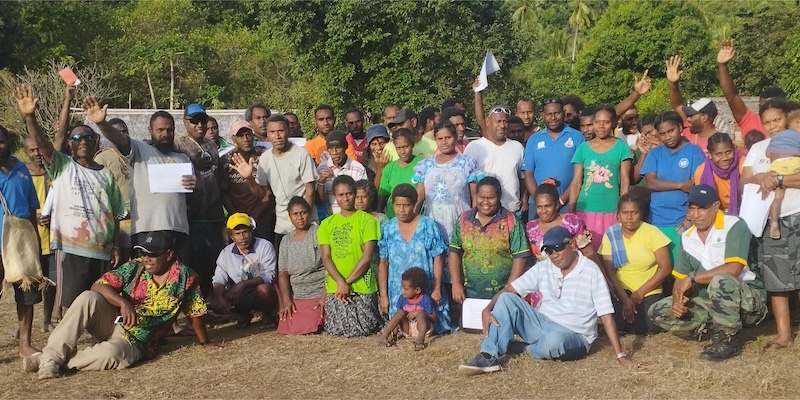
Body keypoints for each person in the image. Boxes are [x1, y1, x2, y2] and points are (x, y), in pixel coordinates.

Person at [22, 231, 221, 379]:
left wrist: (205, 342)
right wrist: (122, 302)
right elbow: (98, 285)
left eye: (152, 254)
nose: (146, 259)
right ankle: (51, 358)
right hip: (115, 323)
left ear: (169, 254)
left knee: (111, 353)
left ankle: (47, 360)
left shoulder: (186, 278)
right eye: (143, 253)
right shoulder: (135, 266)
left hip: (137, 343)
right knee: (87, 297)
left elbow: (195, 312)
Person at [458, 226, 634, 375]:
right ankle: (488, 356)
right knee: (505, 299)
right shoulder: (544, 267)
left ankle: (522, 348)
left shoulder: (591, 271)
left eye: (558, 247)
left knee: (554, 341)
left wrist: (620, 355)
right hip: (543, 323)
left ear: (572, 244)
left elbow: (606, 315)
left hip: (575, 336)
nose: (554, 254)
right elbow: (511, 289)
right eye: (549, 250)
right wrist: (488, 309)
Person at [17, 85, 126, 311]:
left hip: (102, 250)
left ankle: (101, 343)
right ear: (71, 144)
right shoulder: (62, 167)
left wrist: (115, 246)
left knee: (101, 304)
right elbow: (45, 141)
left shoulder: (106, 175)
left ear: (96, 141)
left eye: (87, 136)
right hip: (71, 248)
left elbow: (114, 214)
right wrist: (30, 116)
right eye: (77, 137)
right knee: (69, 306)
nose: (83, 140)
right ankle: (65, 345)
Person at [648, 185, 767, 360]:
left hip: (747, 301)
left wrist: (693, 278)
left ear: (716, 206)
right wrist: (677, 301)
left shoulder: (734, 224)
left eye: (702, 208)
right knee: (657, 311)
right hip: (709, 302)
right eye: (692, 208)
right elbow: (680, 279)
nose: (696, 215)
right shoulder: (687, 237)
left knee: (721, 280)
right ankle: (715, 330)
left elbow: (734, 268)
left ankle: (727, 339)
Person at [86, 97, 197, 268]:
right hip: (147, 228)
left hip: (179, 229)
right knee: (146, 281)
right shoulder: (139, 149)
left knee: (180, 278)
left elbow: (195, 191)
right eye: (160, 130)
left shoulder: (182, 157)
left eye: (170, 130)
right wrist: (102, 124)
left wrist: (195, 183)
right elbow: (120, 139)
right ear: (150, 130)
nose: (166, 134)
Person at [741, 98, 799, 350]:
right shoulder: (759, 149)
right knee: (777, 280)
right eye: (767, 122)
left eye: (776, 119)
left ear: (787, 116)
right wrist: (760, 176)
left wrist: (781, 179)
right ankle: (783, 335)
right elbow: (743, 183)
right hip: (768, 221)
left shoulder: (797, 142)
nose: (772, 126)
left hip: (797, 214)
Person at [378, 183, 456, 334]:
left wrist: (437, 288)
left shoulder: (428, 226)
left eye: (406, 205)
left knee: (430, 324)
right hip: (399, 291)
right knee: (402, 326)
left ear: (414, 205)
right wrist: (383, 295)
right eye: (398, 205)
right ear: (392, 205)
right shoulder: (387, 229)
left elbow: (438, 259)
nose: (402, 210)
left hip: (426, 289)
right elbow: (383, 263)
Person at [317, 175, 383, 337]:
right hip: (336, 288)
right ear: (335, 196)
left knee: (366, 328)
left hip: (361, 286)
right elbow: (326, 257)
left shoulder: (368, 221)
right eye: (341, 195)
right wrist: (340, 283)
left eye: (349, 194)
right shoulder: (326, 224)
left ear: (354, 193)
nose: (345, 198)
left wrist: (346, 283)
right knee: (336, 330)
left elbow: (367, 257)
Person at [598, 193, 672, 335]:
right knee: (616, 321)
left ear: (641, 214)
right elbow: (610, 270)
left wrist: (639, 293)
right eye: (625, 213)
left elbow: (665, 268)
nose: (629, 217)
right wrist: (625, 299)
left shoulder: (652, 232)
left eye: (634, 213)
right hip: (621, 290)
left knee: (650, 325)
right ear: (618, 215)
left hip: (648, 290)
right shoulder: (611, 234)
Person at [449, 177, 530, 303]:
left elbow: (521, 256)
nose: (485, 202)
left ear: (499, 197)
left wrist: (509, 289)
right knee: (469, 323)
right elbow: (454, 251)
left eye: (491, 198)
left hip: (501, 294)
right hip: (469, 292)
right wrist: (456, 283)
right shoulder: (464, 219)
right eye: (481, 197)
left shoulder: (512, 221)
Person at [0, 123, 42, 358]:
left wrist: (35, 241)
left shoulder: (22, 169)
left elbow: (32, 208)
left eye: (2, 140)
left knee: (26, 295)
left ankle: (25, 345)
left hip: (22, 242)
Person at [175, 103, 226, 295]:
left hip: (213, 215)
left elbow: (218, 177)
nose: (199, 125)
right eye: (194, 121)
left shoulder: (211, 144)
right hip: (191, 216)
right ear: (185, 122)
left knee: (213, 264)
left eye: (203, 120)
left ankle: (213, 304)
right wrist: (193, 162)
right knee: (193, 264)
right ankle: (195, 306)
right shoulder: (178, 143)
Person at [640, 111, 705, 263]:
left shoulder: (694, 151)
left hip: (683, 220)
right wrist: (680, 185)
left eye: (671, 131)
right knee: (661, 267)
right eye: (662, 134)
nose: (667, 137)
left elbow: (696, 186)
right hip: (657, 220)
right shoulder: (655, 153)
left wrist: (689, 217)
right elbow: (651, 183)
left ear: (680, 127)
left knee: (683, 267)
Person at [569, 105, 632, 250]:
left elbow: (625, 182)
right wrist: (571, 212)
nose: (601, 126)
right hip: (585, 210)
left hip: (611, 210)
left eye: (606, 122)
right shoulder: (583, 149)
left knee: (611, 253)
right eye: (597, 122)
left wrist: (622, 210)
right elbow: (577, 182)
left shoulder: (621, 148)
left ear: (614, 123)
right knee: (586, 252)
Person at [413, 121, 482, 244]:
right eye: (440, 138)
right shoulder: (426, 165)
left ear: (455, 137)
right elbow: (419, 197)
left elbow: (475, 195)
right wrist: (412, 220)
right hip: (432, 219)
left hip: (460, 219)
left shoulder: (467, 163)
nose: (444, 142)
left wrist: (473, 221)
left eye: (448, 137)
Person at [256, 114, 318, 247]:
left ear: (288, 132)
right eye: (272, 132)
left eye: (280, 131)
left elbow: (310, 191)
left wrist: (303, 221)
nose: (277, 136)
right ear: (267, 134)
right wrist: (248, 177)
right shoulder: (264, 158)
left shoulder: (302, 154)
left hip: (306, 224)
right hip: (282, 226)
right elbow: (262, 192)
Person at [210, 213, 278, 328]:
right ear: (231, 236)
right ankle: (243, 314)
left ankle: (267, 314)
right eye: (237, 234)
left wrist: (243, 284)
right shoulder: (226, 253)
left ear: (251, 231)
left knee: (264, 290)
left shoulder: (265, 246)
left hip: (259, 290)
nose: (242, 237)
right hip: (240, 294)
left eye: (245, 232)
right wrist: (218, 297)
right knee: (216, 303)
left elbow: (269, 275)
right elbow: (219, 279)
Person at [522, 98, 585, 220]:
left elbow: (579, 175)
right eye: (549, 114)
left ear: (563, 112)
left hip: (567, 203)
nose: (553, 117)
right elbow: (528, 173)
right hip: (538, 205)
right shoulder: (534, 139)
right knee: (537, 238)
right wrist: (540, 200)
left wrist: (561, 200)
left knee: (567, 238)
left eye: (557, 113)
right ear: (543, 115)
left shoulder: (577, 137)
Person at [469, 89, 526, 215]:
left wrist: (524, 200)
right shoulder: (474, 147)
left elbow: (522, 178)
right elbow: (469, 182)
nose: (502, 125)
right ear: (488, 122)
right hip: (484, 212)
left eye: (505, 121)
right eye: (498, 121)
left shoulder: (517, 147)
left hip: (513, 210)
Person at [717, 40, 785, 138]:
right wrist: (722, 65)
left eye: (776, 119)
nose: (772, 125)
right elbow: (732, 96)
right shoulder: (751, 121)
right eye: (763, 107)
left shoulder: (795, 126)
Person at [220, 120, 275, 242]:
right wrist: (237, 215)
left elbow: (269, 191)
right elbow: (224, 191)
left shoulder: (264, 156)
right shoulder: (226, 160)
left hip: (262, 217)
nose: (246, 139)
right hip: (237, 221)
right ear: (234, 138)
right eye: (240, 135)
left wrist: (257, 215)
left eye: (248, 134)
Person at [277, 197, 325, 335]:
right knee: (286, 325)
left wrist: (324, 297)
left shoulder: (318, 233)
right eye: (295, 214)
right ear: (290, 216)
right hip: (298, 295)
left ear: (309, 213)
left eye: (303, 213)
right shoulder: (286, 240)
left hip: (318, 292)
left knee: (312, 325)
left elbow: (328, 267)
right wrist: (287, 300)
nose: (300, 217)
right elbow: (283, 273)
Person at [22, 136, 56, 332]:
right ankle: (23, 324)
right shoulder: (22, 174)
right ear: (27, 152)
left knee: (51, 283)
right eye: (32, 150)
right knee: (27, 285)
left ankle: (47, 320)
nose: (37, 154)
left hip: (51, 239)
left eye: (38, 149)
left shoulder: (53, 172)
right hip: (30, 238)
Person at [526, 180, 600, 267]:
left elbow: (589, 253)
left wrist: (595, 274)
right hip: (544, 276)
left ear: (557, 204)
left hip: (574, 273)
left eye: (548, 206)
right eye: (539, 207)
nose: (543, 211)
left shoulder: (572, 222)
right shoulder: (530, 228)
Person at [94, 117, 133, 262]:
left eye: (125, 131)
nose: (122, 135)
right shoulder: (102, 158)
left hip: (138, 221)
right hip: (119, 223)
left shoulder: (135, 155)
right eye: (118, 132)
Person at [666, 55, 720, 153]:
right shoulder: (688, 133)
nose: (688, 119)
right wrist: (673, 84)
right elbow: (678, 106)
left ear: (704, 117)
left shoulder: (721, 141)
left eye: (691, 115)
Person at [380, 267, 437, 351]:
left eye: (406, 289)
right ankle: (384, 336)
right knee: (400, 312)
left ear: (417, 290)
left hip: (421, 330)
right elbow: (397, 318)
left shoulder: (425, 299)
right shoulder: (402, 298)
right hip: (407, 329)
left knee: (421, 315)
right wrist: (394, 332)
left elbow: (434, 318)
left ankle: (420, 341)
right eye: (402, 288)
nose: (403, 291)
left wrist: (420, 312)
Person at [316, 130, 368, 215]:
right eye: (331, 148)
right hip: (331, 219)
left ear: (345, 147)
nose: (335, 152)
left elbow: (362, 199)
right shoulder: (322, 168)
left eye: (338, 147)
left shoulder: (358, 169)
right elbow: (319, 201)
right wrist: (321, 181)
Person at [692, 132, 744, 215]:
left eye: (728, 152)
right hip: (715, 214)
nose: (725, 158)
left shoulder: (743, 165)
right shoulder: (701, 172)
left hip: (742, 211)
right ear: (710, 155)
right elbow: (701, 200)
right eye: (719, 154)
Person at [764, 129, 800, 239]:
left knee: (777, 198)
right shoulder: (795, 135)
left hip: (777, 166)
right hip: (794, 162)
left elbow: (767, 154)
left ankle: (774, 222)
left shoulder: (774, 140)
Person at [378, 128, 420, 219]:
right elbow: (383, 195)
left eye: (405, 147)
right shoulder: (390, 168)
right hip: (393, 219)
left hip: (416, 217)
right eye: (399, 148)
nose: (402, 151)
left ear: (412, 145)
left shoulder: (421, 165)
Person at [362, 124, 391, 191]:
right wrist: (380, 168)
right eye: (374, 144)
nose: (379, 148)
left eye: (382, 143)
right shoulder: (366, 163)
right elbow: (375, 189)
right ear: (369, 146)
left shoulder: (395, 156)